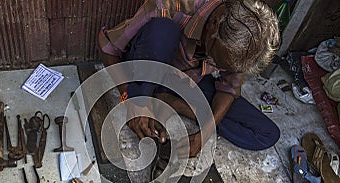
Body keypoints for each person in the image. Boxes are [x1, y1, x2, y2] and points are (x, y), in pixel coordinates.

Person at [98, 0, 280, 158]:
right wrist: (130, 100)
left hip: (188, 81)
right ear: (214, 26)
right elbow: (107, 47)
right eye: (217, 60)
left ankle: (169, 102)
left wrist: (204, 133)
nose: (218, 67)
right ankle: (147, 98)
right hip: (147, 71)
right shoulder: (171, 6)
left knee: (265, 134)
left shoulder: (242, 40)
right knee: (164, 30)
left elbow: (229, 89)